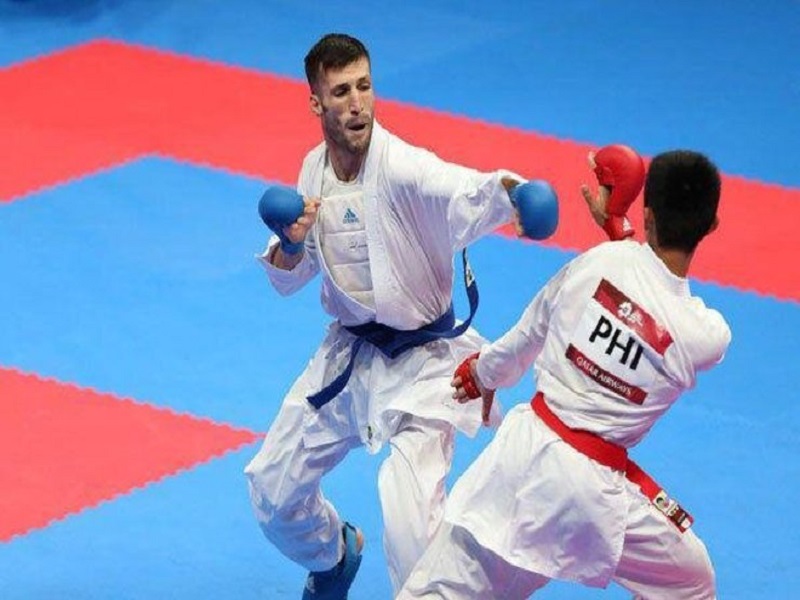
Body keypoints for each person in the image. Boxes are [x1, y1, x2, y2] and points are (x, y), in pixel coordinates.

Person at [243, 32, 559, 598]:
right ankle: (335, 557)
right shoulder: (313, 171)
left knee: (410, 527)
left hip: (424, 368)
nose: (357, 103)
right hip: (348, 359)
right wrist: (289, 244)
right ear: (316, 103)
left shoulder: (405, 169)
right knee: (272, 492)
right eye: (341, 92)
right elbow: (293, 275)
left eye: (364, 87)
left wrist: (516, 195)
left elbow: (466, 188)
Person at [397, 149, 731, 599]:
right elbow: (654, 303)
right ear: (711, 226)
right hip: (590, 498)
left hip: (521, 459)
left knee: (440, 589)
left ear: (648, 214)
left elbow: (529, 331)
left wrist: (482, 372)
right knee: (692, 580)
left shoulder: (596, 263)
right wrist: (619, 231)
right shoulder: (705, 336)